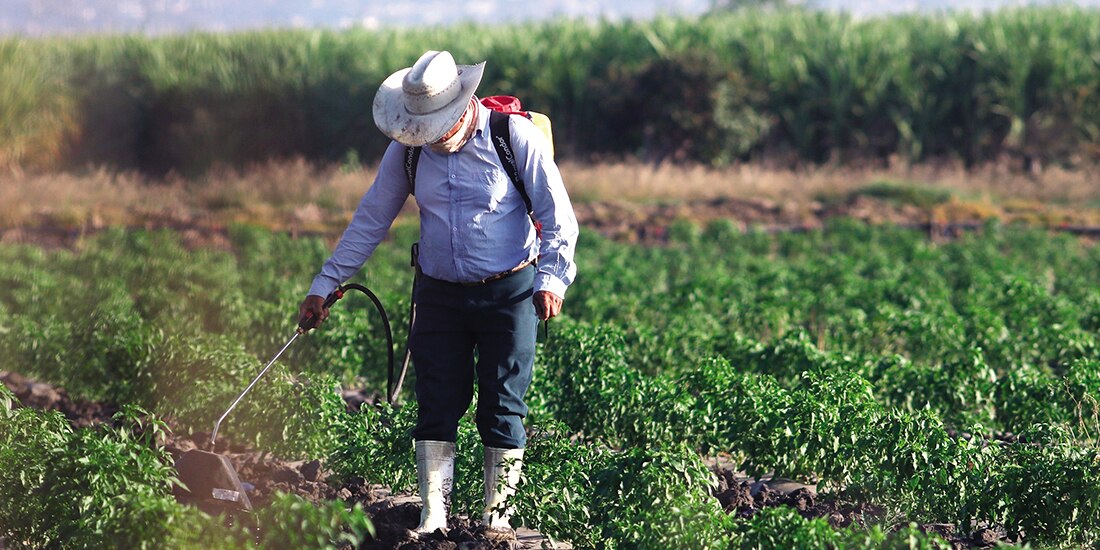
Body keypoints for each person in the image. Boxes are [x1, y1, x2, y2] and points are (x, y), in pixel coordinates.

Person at [298, 50, 578, 537]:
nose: (430, 138)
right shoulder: (408, 150)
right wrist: (325, 284)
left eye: (437, 128)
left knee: (503, 402)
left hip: (509, 290)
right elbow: (371, 219)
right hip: (439, 294)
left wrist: (551, 279)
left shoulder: (513, 138)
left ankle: (496, 519)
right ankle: (433, 517)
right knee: (436, 401)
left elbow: (559, 218)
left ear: (461, 107)